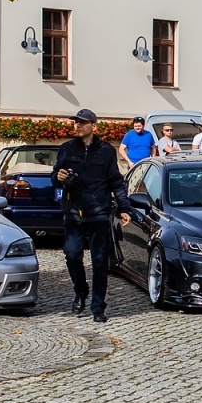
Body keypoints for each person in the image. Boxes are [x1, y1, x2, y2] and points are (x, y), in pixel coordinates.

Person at [51, 109, 130, 323]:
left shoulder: (106, 151)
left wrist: (124, 207)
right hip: (74, 212)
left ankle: (98, 307)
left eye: (82, 123)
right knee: (72, 255)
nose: (77, 126)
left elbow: (116, 181)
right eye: (75, 122)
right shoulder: (67, 149)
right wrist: (58, 177)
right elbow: (55, 177)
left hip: (99, 213)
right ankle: (80, 291)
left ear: (94, 126)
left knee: (99, 262)